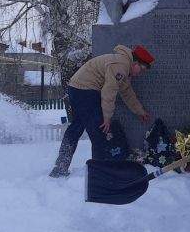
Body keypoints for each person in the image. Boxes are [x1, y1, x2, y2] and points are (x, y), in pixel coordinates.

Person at [49, 45, 153, 178]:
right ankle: (98, 174)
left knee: (75, 128)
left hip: (77, 88)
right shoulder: (120, 65)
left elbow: (127, 93)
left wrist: (140, 111)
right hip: (85, 91)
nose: (141, 72)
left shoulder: (124, 67)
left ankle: (60, 167)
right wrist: (107, 117)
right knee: (99, 133)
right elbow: (109, 91)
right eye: (142, 68)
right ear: (135, 62)